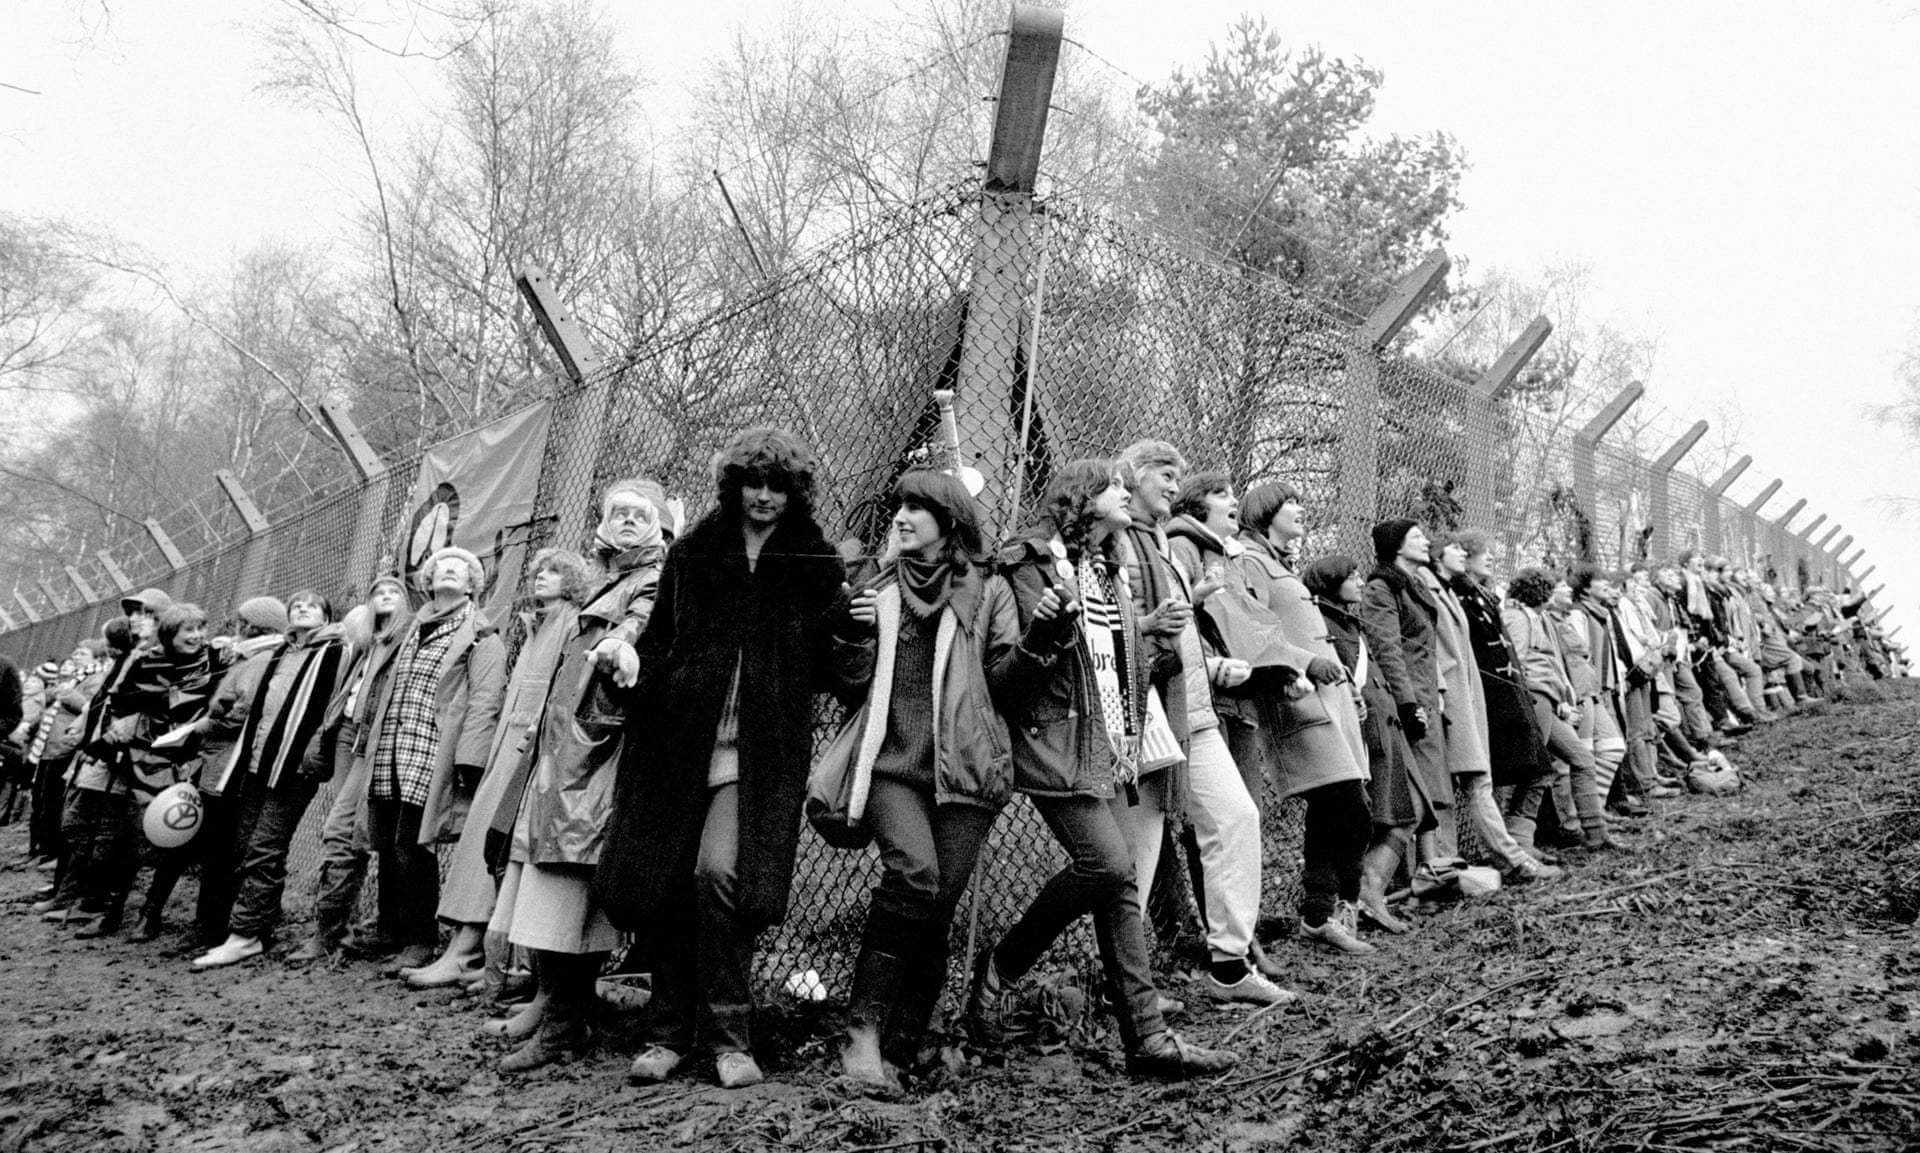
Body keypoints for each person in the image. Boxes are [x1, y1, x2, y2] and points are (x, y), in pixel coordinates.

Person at [965, 459, 1237, 1081]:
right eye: (1115, 485)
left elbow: (1115, 665)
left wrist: (1157, 642)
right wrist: (1044, 635)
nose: (1125, 494)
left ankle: (1148, 1040)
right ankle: (1000, 970)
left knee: (1117, 889)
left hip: (1110, 745)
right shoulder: (1027, 565)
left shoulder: (1107, 565)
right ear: (1084, 498)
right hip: (1055, 745)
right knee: (1109, 864)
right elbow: (1006, 679)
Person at [599, 429, 849, 1090]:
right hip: (678, 744)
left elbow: (835, 664)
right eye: (752, 483)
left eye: (776, 485)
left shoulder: (813, 559)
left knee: (718, 875)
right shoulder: (693, 551)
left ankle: (731, 1036)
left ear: (793, 491)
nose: (763, 496)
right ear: (733, 485)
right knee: (670, 881)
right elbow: (659, 643)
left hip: (757, 755)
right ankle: (668, 1033)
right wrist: (627, 662)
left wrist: (856, 628)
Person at [832, 470, 1034, 1097]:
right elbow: (845, 683)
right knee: (915, 875)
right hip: (895, 763)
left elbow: (1006, 683)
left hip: (968, 769)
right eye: (899, 505)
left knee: (939, 903)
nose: (901, 515)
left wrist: (1043, 639)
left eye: (918, 507)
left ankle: (905, 1040)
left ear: (949, 523)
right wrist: (852, 628)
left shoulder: (987, 590)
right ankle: (859, 1032)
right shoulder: (878, 583)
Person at [487, 479, 672, 1074]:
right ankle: (558, 1012)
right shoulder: (609, 577)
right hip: (568, 751)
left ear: (660, 525)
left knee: (566, 883)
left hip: (598, 755)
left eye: (639, 514)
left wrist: (623, 641)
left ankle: (566, 1025)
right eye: (616, 511)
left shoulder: (651, 578)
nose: (624, 520)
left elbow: (641, 620)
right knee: (550, 884)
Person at [1114, 443, 1278, 1003]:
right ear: (1133, 477)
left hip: (1193, 712)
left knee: (1236, 818)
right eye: (1165, 474)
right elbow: (1112, 629)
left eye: (1179, 476)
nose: (1173, 484)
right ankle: (1125, 984)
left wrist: (1209, 664)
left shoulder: (1159, 542)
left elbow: (1176, 634)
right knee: (1140, 848)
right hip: (1145, 717)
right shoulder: (1119, 538)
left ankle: (1229, 965)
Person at [403, 547, 590, 992]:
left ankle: (477, 954)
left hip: (530, 748)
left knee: (495, 843)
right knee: (482, 842)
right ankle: (466, 951)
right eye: (539, 571)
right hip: (508, 745)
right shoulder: (536, 626)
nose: (542, 577)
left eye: (555, 572)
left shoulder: (569, 622)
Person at [1229, 482, 1380, 951]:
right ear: (1266, 511)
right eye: (1291, 502)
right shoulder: (1249, 561)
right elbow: (1249, 628)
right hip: (1293, 699)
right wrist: (1308, 662)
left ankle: (1320, 916)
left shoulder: (1277, 563)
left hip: (1328, 702)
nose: (1301, 508)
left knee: (1335, 807)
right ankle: (1335, 910)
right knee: (1349, 808)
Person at [360, 548, 508, 971]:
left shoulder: (481, 636)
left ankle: (419, 937)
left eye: (461, 568)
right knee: (385, 841)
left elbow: (484, 702)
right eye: (441, 565)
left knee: (413, 844)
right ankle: (388, 927)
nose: (450, 569)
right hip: (390, 747)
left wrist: (470, 760)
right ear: (427, 579)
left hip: (431, 752)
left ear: (472, 586)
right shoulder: (410, 630)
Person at [191, 591, 352, 968]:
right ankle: (256, 927)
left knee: (265, 846)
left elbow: (336, 707)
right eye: (296, 605)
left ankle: (244, 935)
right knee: (246, 843)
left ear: (327, 616)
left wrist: (316, 750)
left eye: (313, 605)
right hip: (258, 762)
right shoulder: (281, 652)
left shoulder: (334, 653)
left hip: (294, 766)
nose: (302, 608)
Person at [142, 596, 290, 945]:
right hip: (217, 766)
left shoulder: (261, 659)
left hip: (228, 769)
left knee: (220, 849)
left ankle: (210, 926)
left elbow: (243, 713)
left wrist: (203, 727)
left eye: (241, 622)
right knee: (214, 846)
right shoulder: (247, 657)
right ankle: (206, 923)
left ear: (253, 626)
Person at [88, 602, 231, 938]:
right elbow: (121, 701)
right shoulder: (147, 660)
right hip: (144, 757)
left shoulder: (216, 660)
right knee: (127, 839)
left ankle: (150, 914)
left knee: (174, 837)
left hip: (187, 761)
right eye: (188, 630)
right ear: (170, 634)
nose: (196, 636)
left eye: (200, 628)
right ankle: (112, 911)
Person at [289, 575, 410, 963]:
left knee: (342, 829)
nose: (384, 597)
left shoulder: (407, 639)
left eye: (394, 592)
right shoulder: (363, 644)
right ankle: (337, 926)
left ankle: (328, 933)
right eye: (378, 592)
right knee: (343, 831)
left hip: (374, 741)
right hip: (347, 733)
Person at [1430, 534, 1561, 883]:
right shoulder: (1451, 594)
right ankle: (1505, 857)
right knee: (1479, 780)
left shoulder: (1477, 595)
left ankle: (1513, 850)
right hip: (1478, 697)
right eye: (1479, 553)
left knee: (1510, 773)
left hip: (1492, 694)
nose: (1489, 559)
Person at [1357, 521, 1453, 894]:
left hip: (1427, 695)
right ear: (1396, 546)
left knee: (1432, 788)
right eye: (1417, 537)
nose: (1426, 541)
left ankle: (1431, 875)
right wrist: (1409, 703)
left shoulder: (1413, 584)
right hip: (1406, 701)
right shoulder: (1382, 588)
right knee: (1410, 795)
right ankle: (1392, 883)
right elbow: (1388, 650)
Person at [1502, 568, 1623, 854]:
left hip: (1549, 700)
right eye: (1555, 586)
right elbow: (1516, 664)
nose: (1563, 590)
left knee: (1581, 759)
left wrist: (1560, 700)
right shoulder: (1518, 618)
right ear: (1541, 591)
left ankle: (1596, 833)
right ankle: (1520, 843)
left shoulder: (1536, 617)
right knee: (1537, 770)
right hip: (1535, 700)